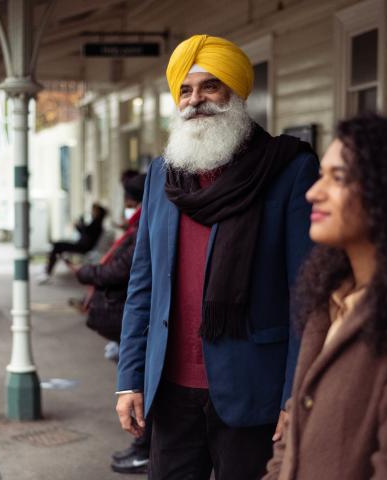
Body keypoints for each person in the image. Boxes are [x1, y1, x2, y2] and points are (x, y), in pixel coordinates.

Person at [115, 34, 319, 480]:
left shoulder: (288, 169)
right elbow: (142, 285)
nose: (196, 100)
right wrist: (130, 378)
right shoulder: (162, 174)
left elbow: (306, 296)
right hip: (169, 391)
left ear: (235, 91)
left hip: (253, 391)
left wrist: (294, 397)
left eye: (210, 86)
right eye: (185, 90)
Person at [263, 114, 387, 479]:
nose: (313, 192)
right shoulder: (329, 298)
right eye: (321, 175)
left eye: (338, 178)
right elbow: (293, 434)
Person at [69, 174, 153, 474]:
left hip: (138, 318)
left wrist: (86, 273)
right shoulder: (137, 224)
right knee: (131, 378)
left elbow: (124, 269)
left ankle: (144, 448)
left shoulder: (148, 222)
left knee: (141, 385)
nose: (127, 206)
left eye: (129, 200)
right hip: (131, 315)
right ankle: (141, 446)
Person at [38, 203, 107, 284]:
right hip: (80, 245)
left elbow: (86, 232)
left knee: (57, 246)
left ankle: (47, 272)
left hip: (83, 247)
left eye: (94, 210)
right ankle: (48, 270)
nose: (92, 212)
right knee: (57, 246)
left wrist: (80, 224)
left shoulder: (97, 224)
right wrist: (79, 226)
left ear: (98, 212)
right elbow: (85, 232)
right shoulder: (95, 222)